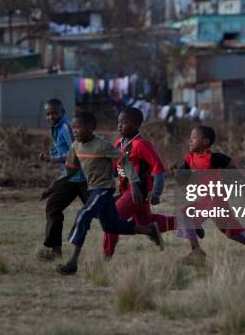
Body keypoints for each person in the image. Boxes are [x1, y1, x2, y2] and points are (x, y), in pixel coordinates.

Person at [41, 111, 163, 275]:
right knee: (111, 226)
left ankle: (73, 261)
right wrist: (53, 186)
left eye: (78, 127)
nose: (75, 131)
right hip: (93, 188)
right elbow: (70, 172)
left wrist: (134, 182)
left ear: (91, 128)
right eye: (74, 127)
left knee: (84, 215)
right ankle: (148, 230)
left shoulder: (102, 146)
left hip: (104, 189)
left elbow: (123, 160)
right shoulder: (75, 147)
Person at [169, 125, 245, 266]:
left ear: (205, 142)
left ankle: (197, 252)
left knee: (185, 215)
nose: (190, 140)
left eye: (194, 137)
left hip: (215, 200)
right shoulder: (190, 159)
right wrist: (175, 172)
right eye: (190, 138)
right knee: (231, 233)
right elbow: (182, 181)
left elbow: (237, 164)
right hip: (207, 200)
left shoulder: (213, 158)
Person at [102, 107, 176, 259]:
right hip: (126, 193)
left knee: (112, 218)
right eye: (118, 122)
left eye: (124, 123)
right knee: (146, 222)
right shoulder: (117, 144)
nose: (119, 126)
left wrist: (156, 192)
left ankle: (106, 257)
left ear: (136, 124)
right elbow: (113, 169)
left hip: (138, 193)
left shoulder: (142, 144)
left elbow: (158, 169)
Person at [38, 99, 87, 261]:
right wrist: (50, 155)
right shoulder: (55, 128)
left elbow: (76, 153)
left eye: (54, 113)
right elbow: (65, 151)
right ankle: (56, 252)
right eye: (47, 114)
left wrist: (52, 159)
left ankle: (140, 227)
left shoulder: (66, 126)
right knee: (53, 207)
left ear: (62, 112)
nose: (51, 116)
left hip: (83, 176)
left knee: (103, 213)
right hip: (69, 177)